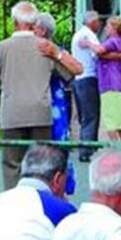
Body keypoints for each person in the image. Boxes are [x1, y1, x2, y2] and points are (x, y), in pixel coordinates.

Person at [0, 1, 77, 189]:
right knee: (41, 165)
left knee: (12, 164)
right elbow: (70, 73)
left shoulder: (1, 48)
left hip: (12, 114)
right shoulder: (46, 47)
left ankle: (14, 199)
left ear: (14, 21)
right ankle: (39, 197)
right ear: (34, 23)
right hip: (41, 114)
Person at [34, 12, 82, 194]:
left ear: (42, 30)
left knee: (58, 145)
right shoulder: (30, 49)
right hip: (38, 103)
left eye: (33, 27)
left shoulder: (55, 50)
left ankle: (61, 185)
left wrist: (57, 54)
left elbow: (78, 69)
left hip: (55, 103)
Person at [70, 10, 107, 162]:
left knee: (84, 116)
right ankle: (87, 150)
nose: (100, 25)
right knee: (91, 116)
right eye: (98, 21)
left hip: (78, 79)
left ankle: (86, 147)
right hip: (88, 77)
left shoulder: (78, 34)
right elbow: (98, 53)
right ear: (93, 22)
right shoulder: (89, 35)